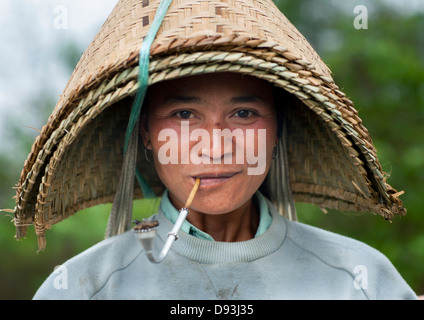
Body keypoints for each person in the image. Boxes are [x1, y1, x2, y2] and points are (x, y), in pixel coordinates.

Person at [13, 0, 417, 299]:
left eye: (243, 113)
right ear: (146, 135)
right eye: (185, 113)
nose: (216, 145)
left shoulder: (359, 279)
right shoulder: (85, 286)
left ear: (278, 130)